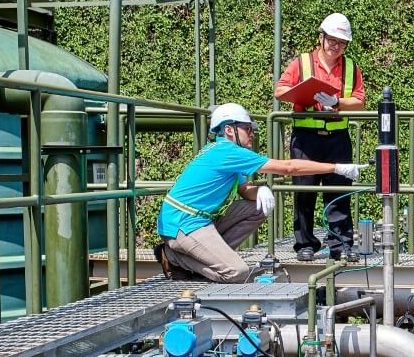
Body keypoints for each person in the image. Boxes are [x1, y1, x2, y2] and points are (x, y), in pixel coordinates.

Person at [154, 103, 364, 283]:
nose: (252, 133)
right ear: (229, 130)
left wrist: (261, 189)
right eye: (247, 128)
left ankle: (207, 256)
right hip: (182, 224)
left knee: (258, 208)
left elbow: (245, 191)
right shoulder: (227, 151)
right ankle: (173, 256)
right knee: (236, 272)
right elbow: (289, 167)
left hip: (198, 221)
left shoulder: (225, 152)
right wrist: (335, 167)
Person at [274, 12, 366, 260]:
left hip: (338, 137)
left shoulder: (351, 68)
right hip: (306, 137)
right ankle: (305, 244)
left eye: (341, 42)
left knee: (339, 191)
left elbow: (359, 101)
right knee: (304, 191)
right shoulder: (301, 63)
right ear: (321, 37)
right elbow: (280, 91)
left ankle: (341, 244)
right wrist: (303, 96)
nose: (336, 46)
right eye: (332, 40)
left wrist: (337, 101)